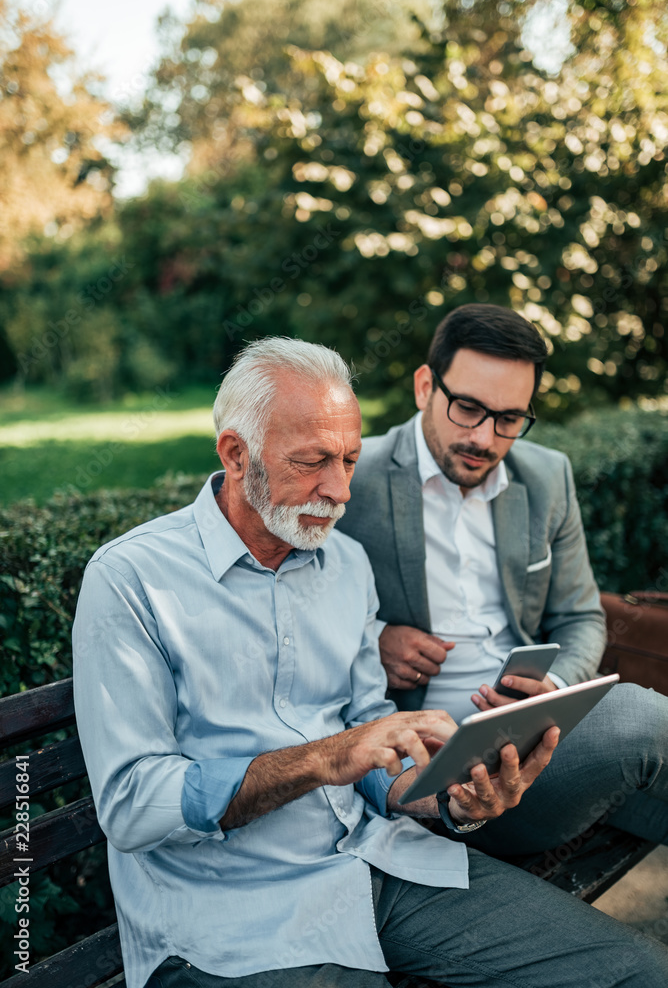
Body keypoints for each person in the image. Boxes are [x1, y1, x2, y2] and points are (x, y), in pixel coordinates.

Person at [73, 337, 668, 988]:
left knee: (634, 972)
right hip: (230, 909)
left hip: (378, 864)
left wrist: (451, 799)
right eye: (314, 462)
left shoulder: (345, 565)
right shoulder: (131, 579)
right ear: (236, 455)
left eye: (351, 461)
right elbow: (132, 805)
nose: (339, 491)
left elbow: (372, 746)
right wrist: (328, 756)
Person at [338, 303, 668, 860]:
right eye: (468, 408)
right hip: (434, 776)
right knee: (640, 716)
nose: (486, 439)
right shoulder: (351, 477)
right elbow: (281, 610)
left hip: (540, 748)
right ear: (425, 387)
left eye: (510, 419)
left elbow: (580, 615)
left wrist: (555, 693)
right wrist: (373, 637)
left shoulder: (546, 475)